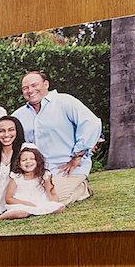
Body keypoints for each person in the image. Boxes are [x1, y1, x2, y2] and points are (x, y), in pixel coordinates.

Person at [12, 70, 102, 203]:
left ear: (46, 84)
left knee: (55, 199)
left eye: (34, 85)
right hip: (37, 171)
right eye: (25, 88)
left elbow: (92, 123)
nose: (30, 90)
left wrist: (78, 155)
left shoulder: (64, 101)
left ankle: (82, 188)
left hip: (67, 168)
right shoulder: (19, 115)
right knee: (26, 197)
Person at [0, 145, 67, 220]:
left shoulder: (44, 175)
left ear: (38, 161)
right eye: (24, 160)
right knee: (21, 213)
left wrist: (54, 203)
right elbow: (9, 199)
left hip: (40, 202)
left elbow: (51, 193)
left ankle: (35, 211)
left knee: (60, 207)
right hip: (22, 204)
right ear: (19, 164)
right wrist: (27, 204)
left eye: (32, 159)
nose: (28, 162)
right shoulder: (16, 177)